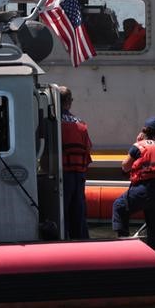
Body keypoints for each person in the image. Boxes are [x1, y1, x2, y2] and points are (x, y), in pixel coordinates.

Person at [112, 117, 155, 255]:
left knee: (119, 207)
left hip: (142, 191)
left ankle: (123, 244)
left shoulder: (139, 146)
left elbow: (125, 167)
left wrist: (137, 143)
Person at [59, 86, 92, 240]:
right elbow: (88, 148)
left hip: (61, 174)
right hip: (79, 174)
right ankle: (82, 242)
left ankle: (61, 241)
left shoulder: (53, 122)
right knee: (78, 212)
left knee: (61, 211)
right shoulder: (81, 124)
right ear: (69, 102)